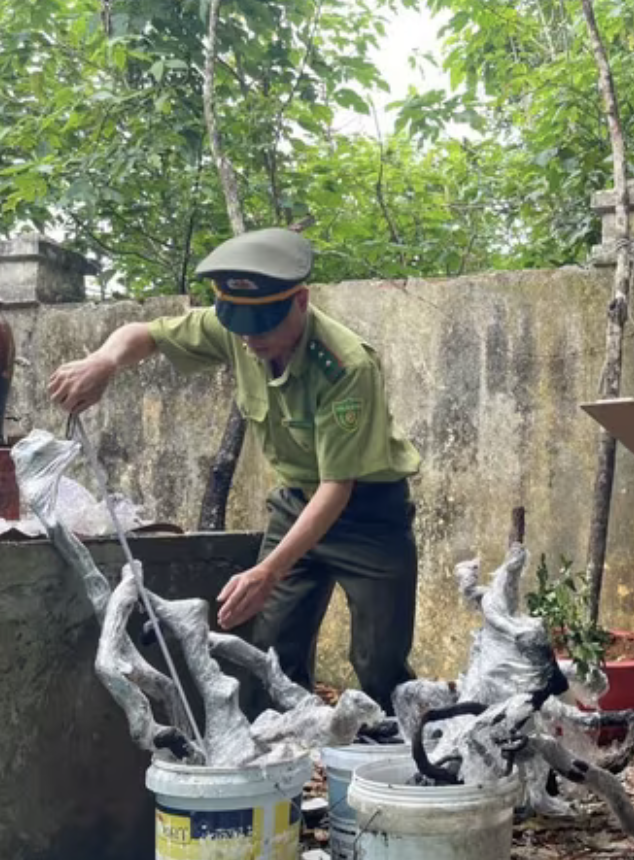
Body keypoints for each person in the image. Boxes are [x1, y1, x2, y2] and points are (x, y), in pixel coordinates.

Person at [48, 228, 422, 713]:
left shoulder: (345, 366)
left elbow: (338, 489)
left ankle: (389, 775)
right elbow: (146, 335)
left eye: (263, 326)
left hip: (370, 513)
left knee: (380, 664)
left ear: (301, 301)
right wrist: (104, 361)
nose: (250, 340)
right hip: (298, 503)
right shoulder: (237, 332)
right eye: (241, 326)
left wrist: (266, 570)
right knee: (268, 655)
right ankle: (280, 772)